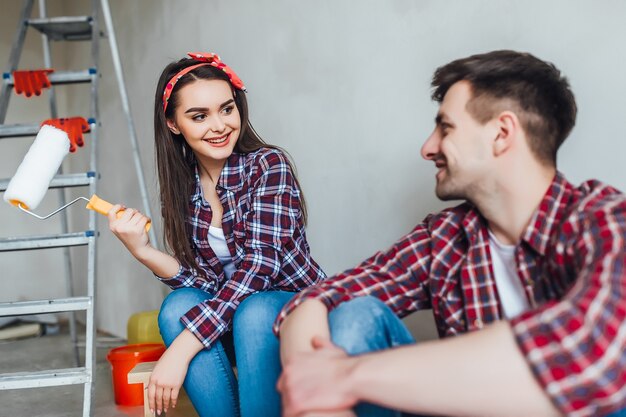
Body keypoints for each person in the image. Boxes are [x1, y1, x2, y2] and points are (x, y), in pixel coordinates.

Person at [275, 50, 626, 417]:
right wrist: (312, 384)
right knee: (353, 317)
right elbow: (317, 299)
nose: (428, 148)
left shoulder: (606, 218)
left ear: (502, 134)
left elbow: (595, 356)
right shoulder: (445, 237)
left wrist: (347, 376)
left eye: (445, 127)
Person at [107, 52, 325, 417]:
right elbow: (207, 282)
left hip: (292, 317)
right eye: (199, 116)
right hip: (231, 320)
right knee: (177, 307)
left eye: (227, 109)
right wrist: (142, 251)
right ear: (174, 124)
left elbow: (260, 269)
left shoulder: (268, 165)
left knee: (253, 311)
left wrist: (182, 347)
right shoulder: (184, 187)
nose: (219, 125)